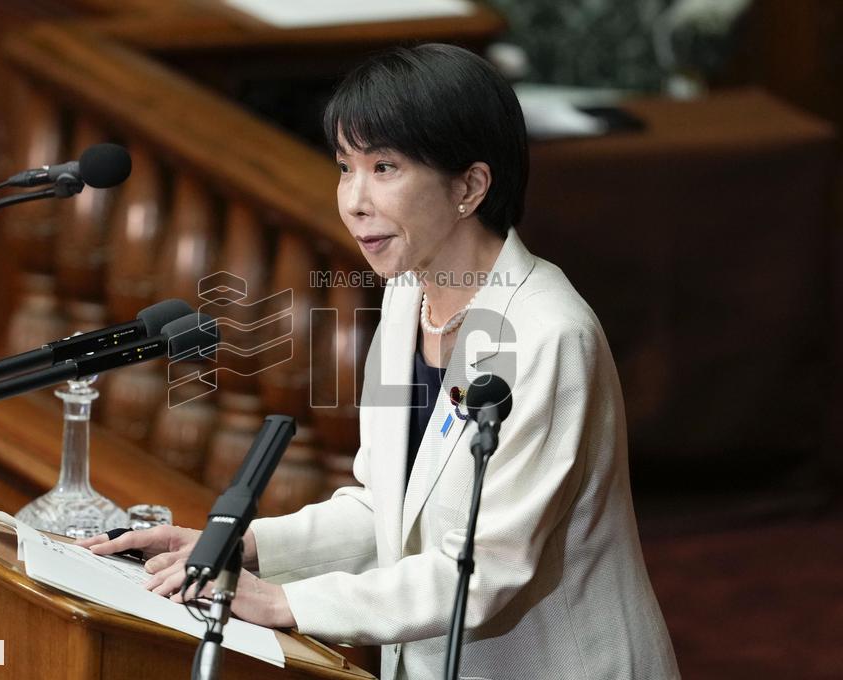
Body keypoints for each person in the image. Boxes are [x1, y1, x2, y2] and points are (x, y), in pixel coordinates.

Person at [81, 44, 680, 680]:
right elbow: (384, 509)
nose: (354, 200)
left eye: (385, 167)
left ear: (470, 186)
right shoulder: (406, 298)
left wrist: (287, 603)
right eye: (346, 167)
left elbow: (486, 568)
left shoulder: (550, 335)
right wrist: (242, 546)